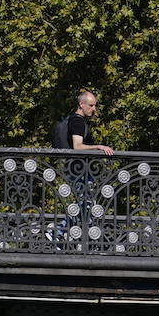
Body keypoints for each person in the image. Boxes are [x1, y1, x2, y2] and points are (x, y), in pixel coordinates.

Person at [54, 92, 115, 246]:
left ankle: (84, 239)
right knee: (85, 204)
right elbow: (77, 146)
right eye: (91, 105)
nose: (94, 109)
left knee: (86, 204)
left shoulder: (72, 120)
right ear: (81, 104)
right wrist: (99, 147)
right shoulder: (77, 121)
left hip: (75, 169)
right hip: (78, 170)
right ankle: (58, 233)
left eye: (94, 105)